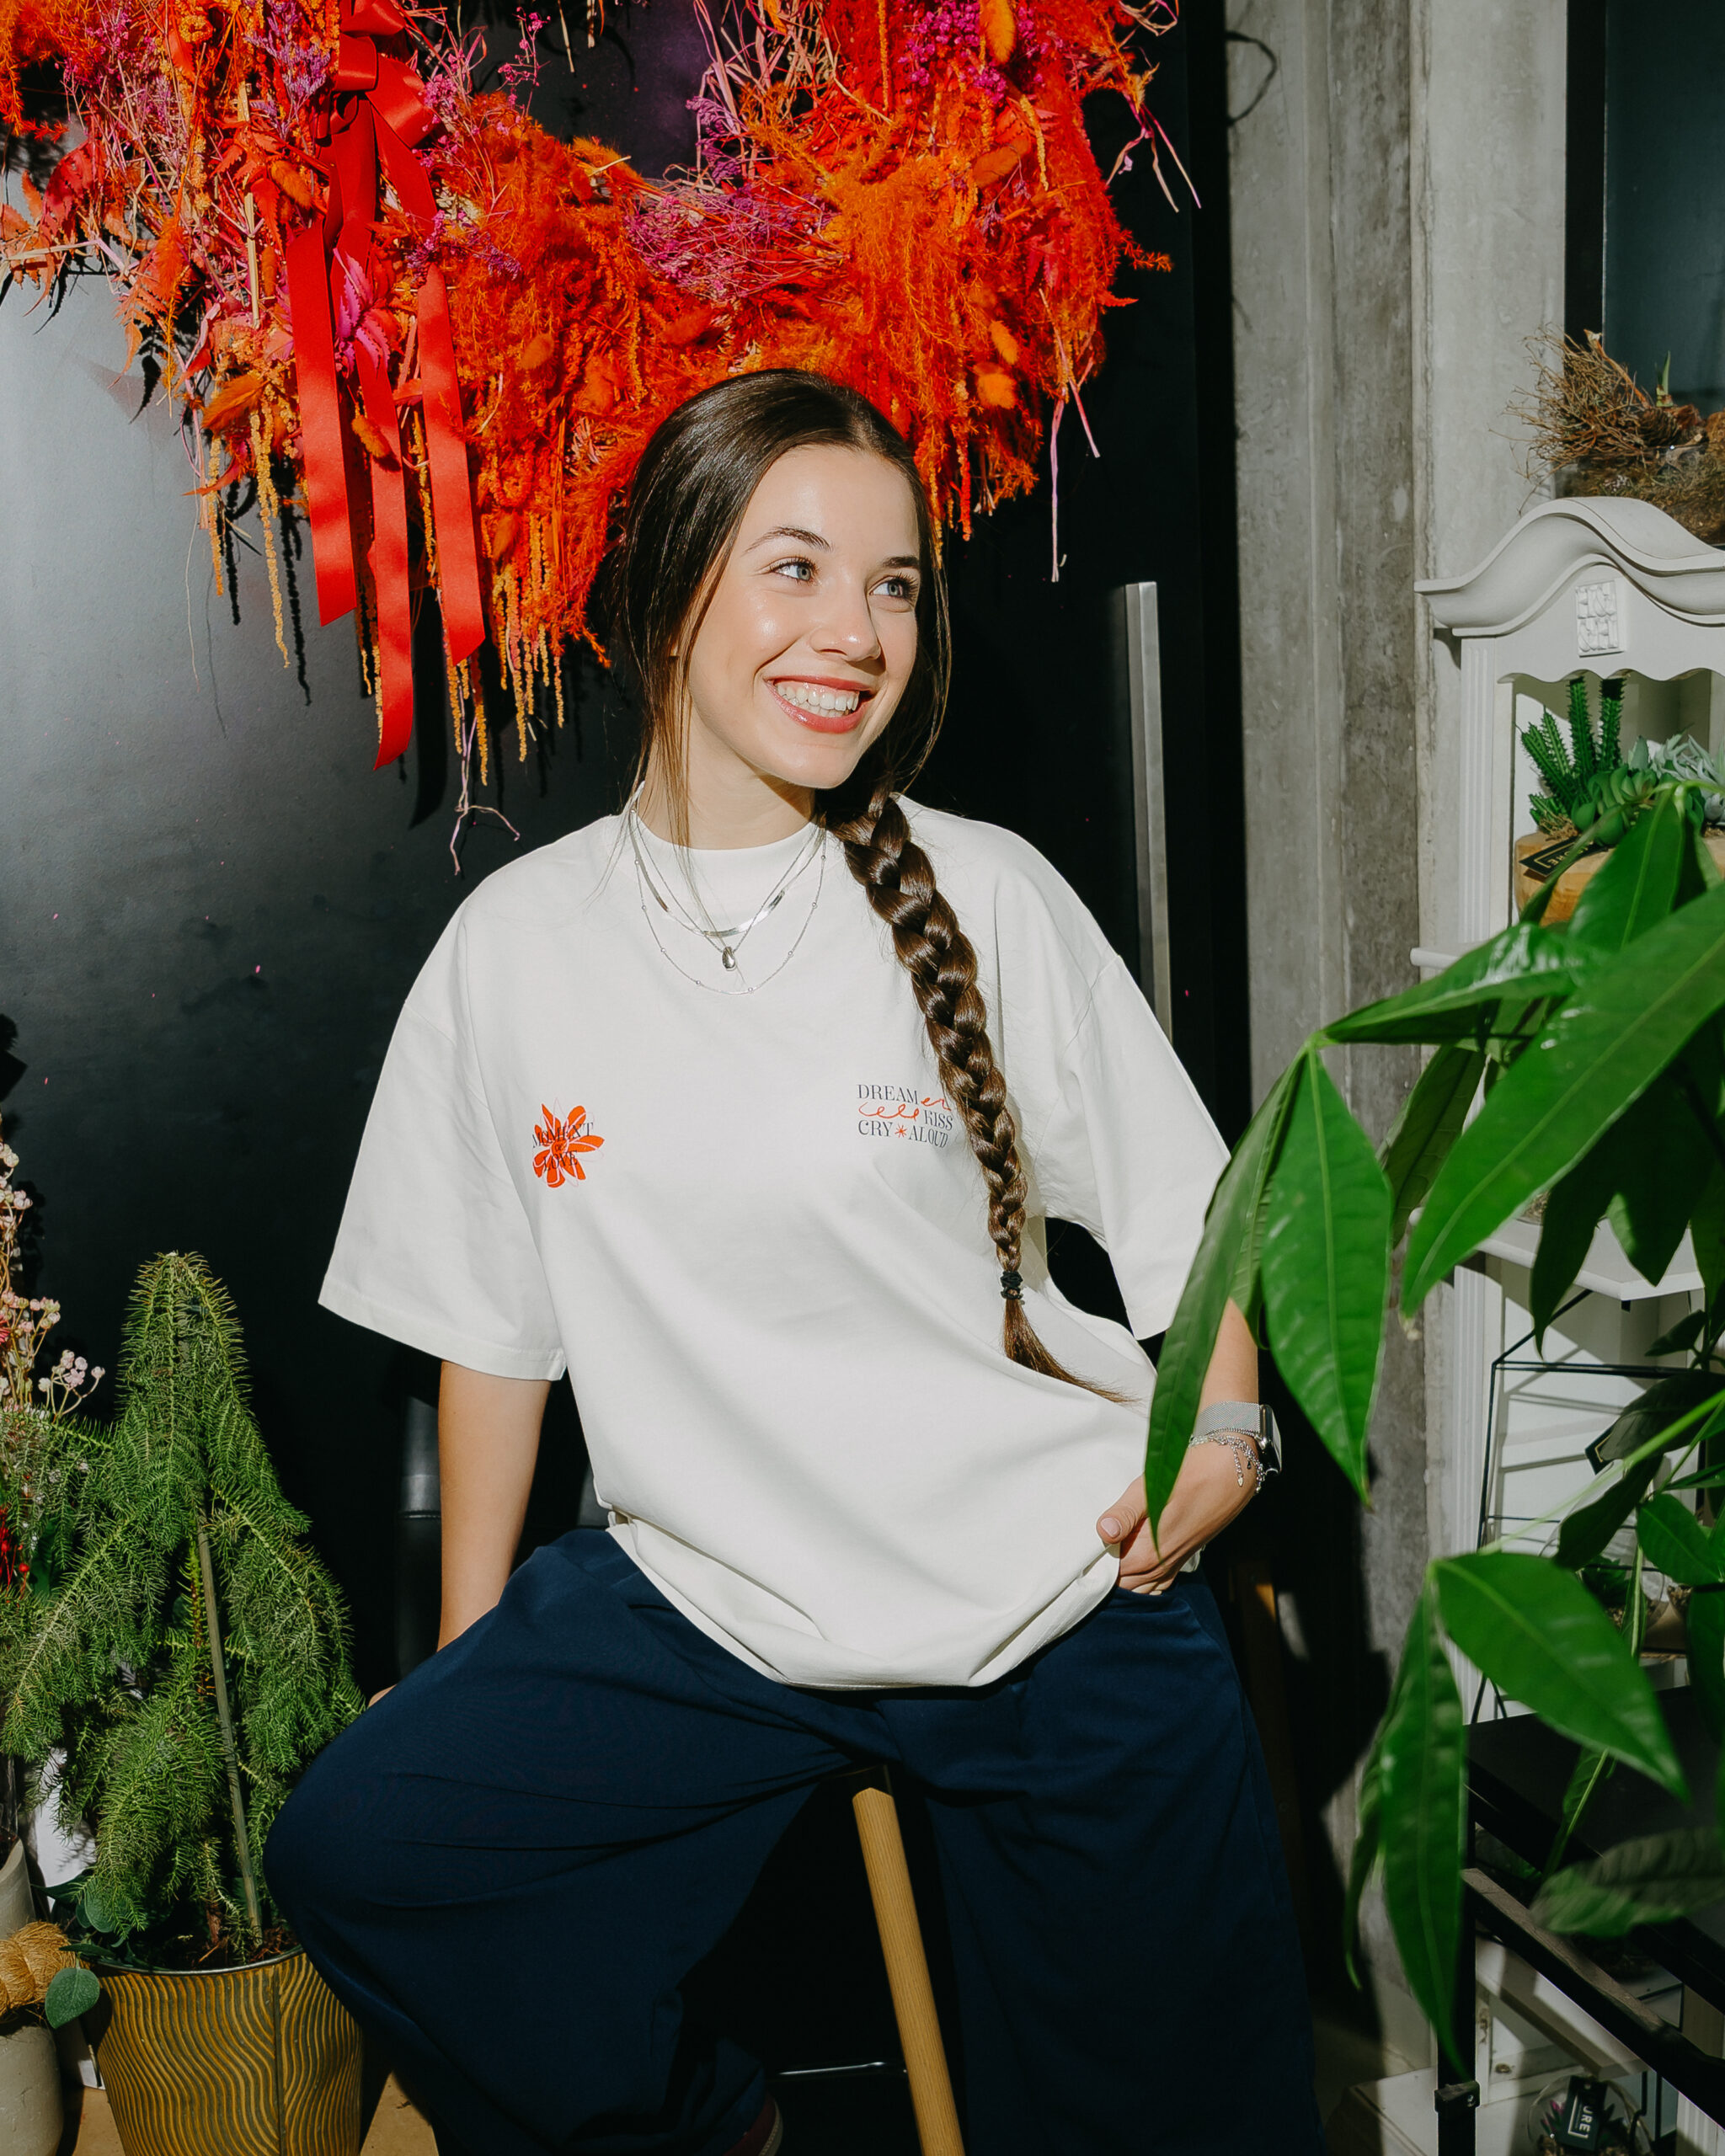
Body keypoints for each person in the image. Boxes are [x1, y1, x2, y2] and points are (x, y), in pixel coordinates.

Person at [266, 370, 1324, 2156]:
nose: (857, 632)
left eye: (894, 584)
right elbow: (495, 1337)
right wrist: (464, 1675)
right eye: (798, 568)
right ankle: (718, 2131)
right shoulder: (513, 947)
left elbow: (1193, 1217)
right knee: (373, 1846)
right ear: (669, 591)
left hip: (1051, 1581)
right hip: (714, 1593)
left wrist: (1226, 1436)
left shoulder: (986, 892)